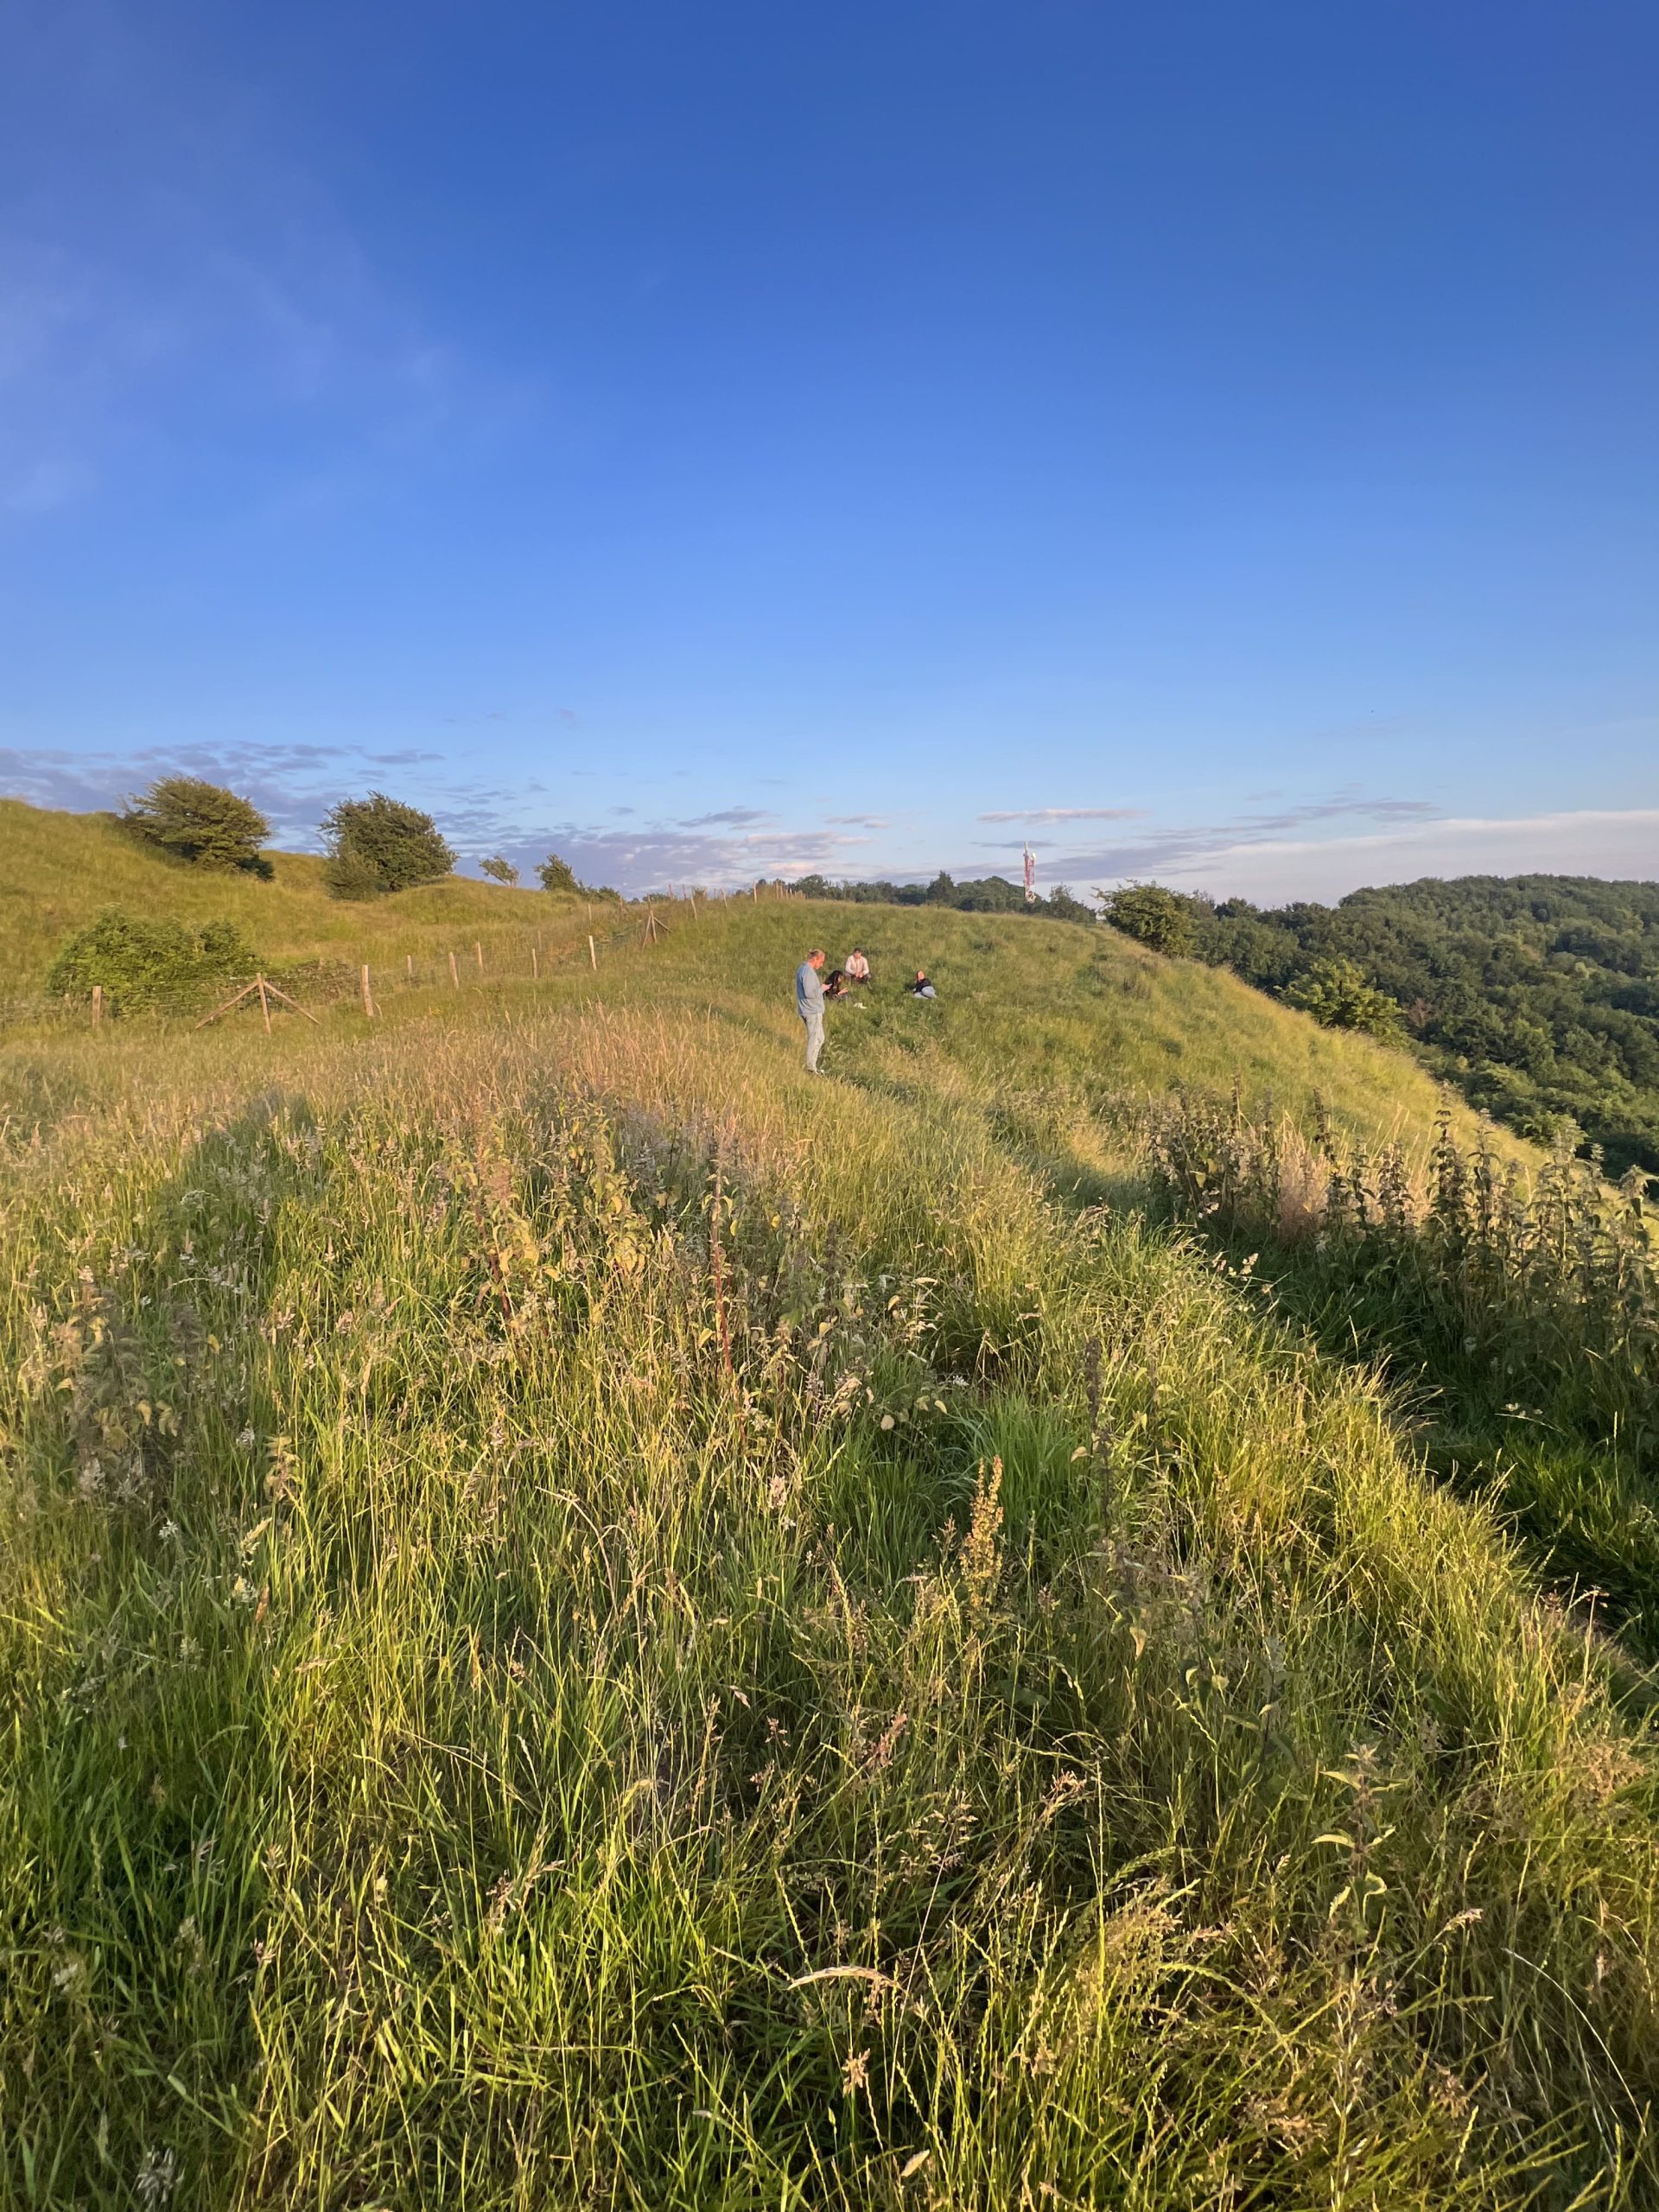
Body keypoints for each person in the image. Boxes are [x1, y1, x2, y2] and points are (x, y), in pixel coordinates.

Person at [796, 947, 827, 1071]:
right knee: (815, 1039)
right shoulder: (807, 972)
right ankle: (810, 1067)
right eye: (821, 962)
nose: (821, 965)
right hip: (812, 1011)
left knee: (820, 1038)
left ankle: (813, 1065)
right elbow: (809, 993)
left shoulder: (803, 969)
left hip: (810, 1009)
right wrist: (822, 989)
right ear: (814, 959)